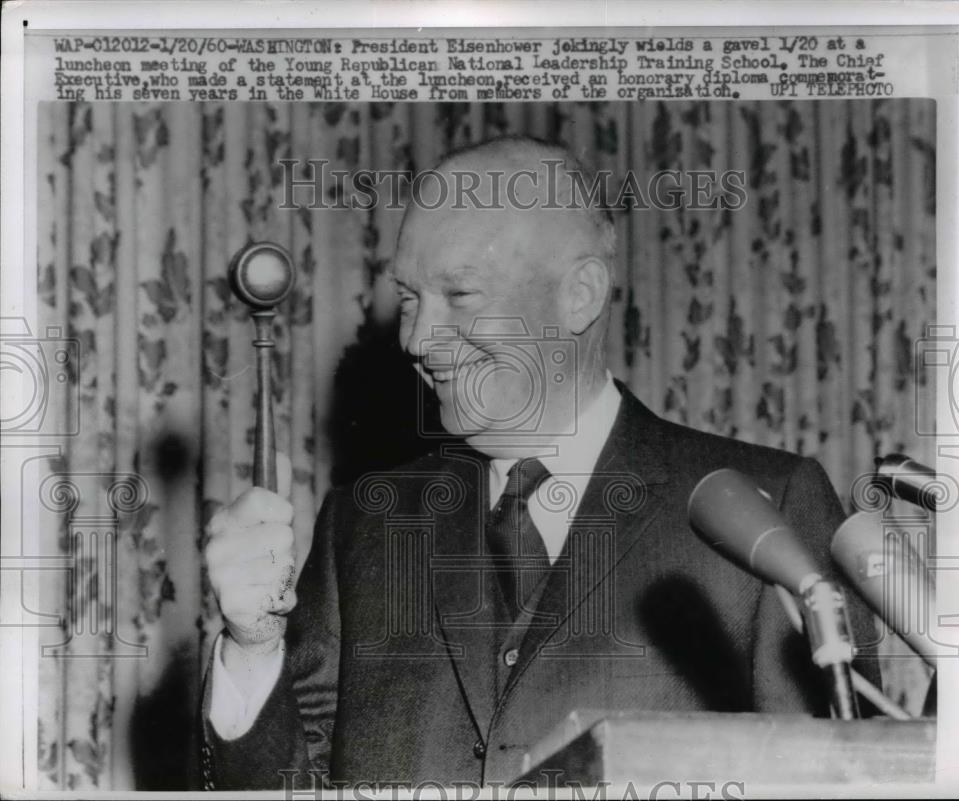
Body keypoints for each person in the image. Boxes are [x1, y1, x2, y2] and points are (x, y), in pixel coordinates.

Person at [200, 136, 879, 790]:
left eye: (460, 295)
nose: (416, 337)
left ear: (579, 294)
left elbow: (842, 781)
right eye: (409, 297)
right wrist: (253, 645)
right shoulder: (363, 524)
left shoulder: (767, 510)